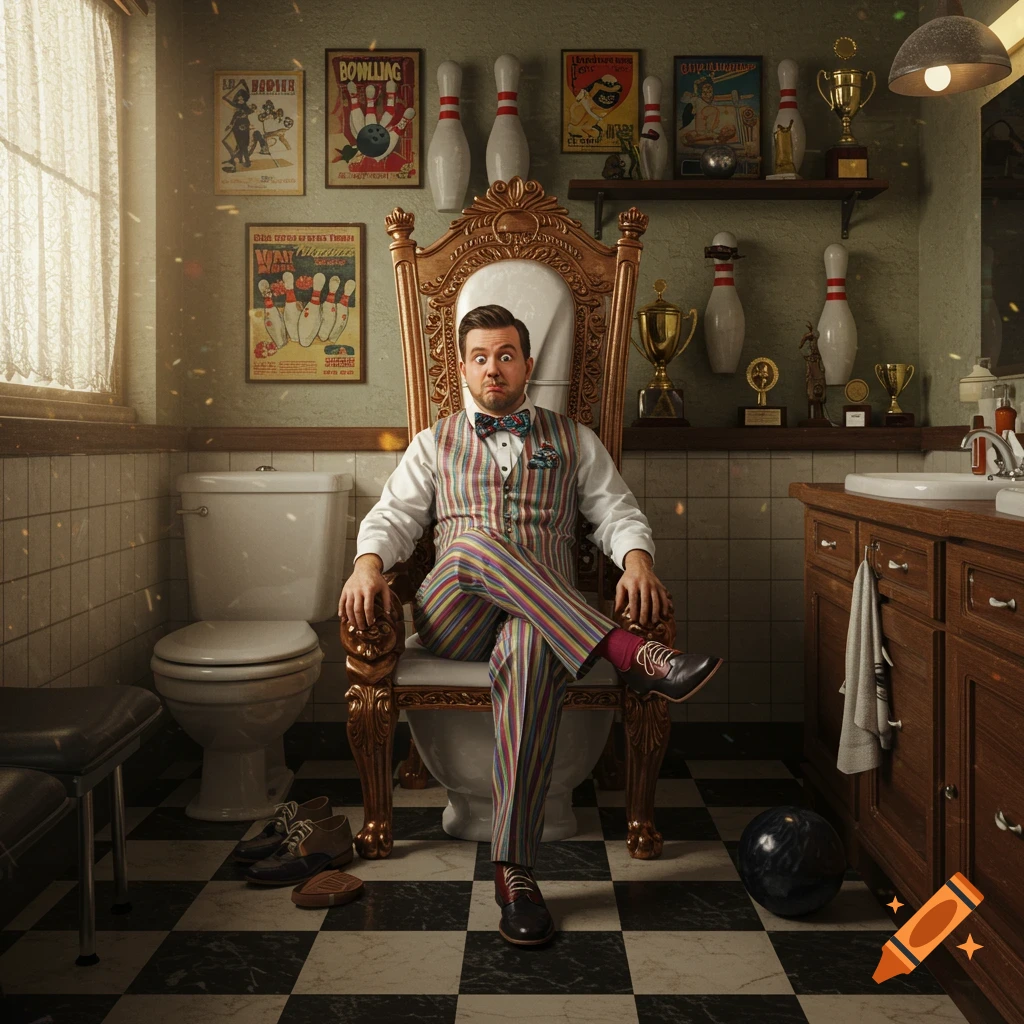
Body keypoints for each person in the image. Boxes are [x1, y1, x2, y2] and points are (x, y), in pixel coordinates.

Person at [339, 304, 722, 947]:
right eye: (480, 357)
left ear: (527, 364)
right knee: (474, 543)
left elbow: (616, 512)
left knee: (530, 650)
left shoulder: (573, 439)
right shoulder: (434, 442)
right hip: (455, 617)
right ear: (464, 368)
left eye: (505, 355)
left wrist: (636, 561)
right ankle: (628, 651)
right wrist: (366, 565)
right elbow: (393, 516)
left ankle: (515, 870)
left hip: (543, 622)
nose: (493, 368)